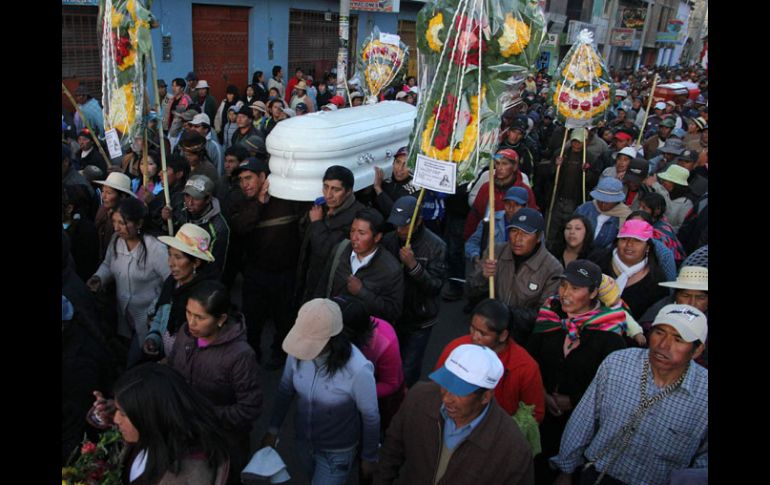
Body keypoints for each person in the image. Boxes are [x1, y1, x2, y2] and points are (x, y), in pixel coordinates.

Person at [550, 304, 708, 485]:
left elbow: (704, 460)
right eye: (659, 333)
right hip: (597, 474)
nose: (663, 345)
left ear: (697, 350)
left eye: (678, 339)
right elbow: (583, 420)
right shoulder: (618, 363)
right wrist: (566, 470)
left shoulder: (704, 393)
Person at [374, 343, 535, 485]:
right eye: (445, 384)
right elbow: (391, 452)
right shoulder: (418, 398)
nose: (446, 398)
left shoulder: (513, 450)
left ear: (485, 396)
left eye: (459, 391)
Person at [527, 260, 627, 484]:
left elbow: (612, 387)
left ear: (593, 293)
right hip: (540, 416)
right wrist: (542, 393)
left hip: (583, 429)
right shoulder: (549, 315)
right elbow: (531, 359)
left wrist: (574, 401)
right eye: (563, 285)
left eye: (575, 288)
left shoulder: (610, 333)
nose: (565, 293)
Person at [263, 298, 380, 484]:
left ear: (332, 339)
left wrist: (369, 456)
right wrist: (272, 430)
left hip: (337, 454)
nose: (305, 346)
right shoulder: (297, 352)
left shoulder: (358, 369)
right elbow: (285, 390)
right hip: (303, 442)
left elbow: (371, 416)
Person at [166, 281, 262, 484]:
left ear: (221, 319)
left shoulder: (240, 356)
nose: (191, 322)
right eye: (188, 313)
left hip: (222, 443)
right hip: (184, 434)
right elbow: (173, 368)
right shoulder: (186, 334)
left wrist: (206, 413)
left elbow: (249, 409)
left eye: (200, 317)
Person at [92, 363, 230, 484]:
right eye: (116, 409)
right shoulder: (151, 436)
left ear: (151, 417)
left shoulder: (189, 473)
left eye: (122, 414)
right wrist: (103, 414)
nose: (116, 419)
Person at [228, 157, 307, 368]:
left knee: (284, 319)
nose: (244, 184)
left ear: (263, 177)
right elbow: (240, 227)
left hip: (285, 274)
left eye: (249, 178)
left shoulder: (286, 199)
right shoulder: (239, 202)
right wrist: (259, 203)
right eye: (241, 180)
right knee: (252, 320)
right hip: (255, 273)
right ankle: (251, 355)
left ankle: (279, 355)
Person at [88, 197, 170, 366]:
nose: (116, 228)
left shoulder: (155, 248)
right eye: (114, 222)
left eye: (122, 223)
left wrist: (156, 308)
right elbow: (108, 265)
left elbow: (171, 281)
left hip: (147, 321)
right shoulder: (116, 241)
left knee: (136, 362)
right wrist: (99, 278)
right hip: (124, 317)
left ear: (139, 223)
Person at [435, 299, 545, 422]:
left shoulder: (525, 367)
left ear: (503, 335)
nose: (474, 337)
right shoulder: (456, 348)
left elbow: (534, 414)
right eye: (473, 328)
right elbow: (437, 387)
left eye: (483, 333)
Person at [468, 208, 563, 345]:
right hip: (488, 333)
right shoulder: (495, 252)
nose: (518, 239)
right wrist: (482, 277)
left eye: (525, 233)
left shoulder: (552, 268)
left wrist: (505, 314)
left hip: (524, 339)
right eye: (514, 231)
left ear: (538, 237)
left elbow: (545, 315)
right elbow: (469, 293)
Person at [381, 196, 447, 387]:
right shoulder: (388, 241)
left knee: (408, 370)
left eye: (405, 225)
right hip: (393, 315)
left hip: (419, 319)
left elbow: (435, 286)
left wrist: (414, 266)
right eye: (397, 224)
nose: (400, 230)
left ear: (418, 221)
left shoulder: (436, 246)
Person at [315, 208, 404, 324]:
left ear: (377, 237)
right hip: (331, 323)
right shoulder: (340, 250)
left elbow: (393, 312)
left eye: (361, 233)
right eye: (352, 231)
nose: (354, 238)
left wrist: (362, 292)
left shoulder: (391, 270)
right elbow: (323, 285)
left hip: (362, 330)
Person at [142, 223, 218, 359]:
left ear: (196, 262)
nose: (171, 263)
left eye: (178, 257)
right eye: (170, 255)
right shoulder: (171, 283)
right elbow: (160, 315)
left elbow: (204, 342)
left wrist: (175, 361)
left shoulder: (205, 297)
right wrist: (153, 338)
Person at [334, 295, 405, 434]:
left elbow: (391, 384)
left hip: (377, 397)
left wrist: (354, 394)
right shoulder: (345, 333)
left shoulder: (385, 342)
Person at [296, 165, 366, 303]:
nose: (328, 195)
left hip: (328, 287)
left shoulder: (358, 218)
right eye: (326, 187)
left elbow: (325, 251)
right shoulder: (321, 207)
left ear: (348, 191)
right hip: (309, 279)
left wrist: (317, 223)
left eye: (336, 189)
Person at [591, 219, 670, 320]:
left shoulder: (657, 280)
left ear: (647, 247)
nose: (629, 244)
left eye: (637, 240)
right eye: (624, 239)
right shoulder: (596, 261)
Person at [464, 148, 538, 241]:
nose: (500, 168)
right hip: (487, 241)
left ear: (515, 166)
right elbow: (474, 216)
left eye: (504, 164)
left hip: (515, 242)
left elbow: (532, 219)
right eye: (497, 163)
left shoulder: (524, 190)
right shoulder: (486, 188)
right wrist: (469, 240)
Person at [545, 128, 602, 247]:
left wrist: (587, 172)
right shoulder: (561, 153)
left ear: (585, 142)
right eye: (574, 141)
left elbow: (593, 182)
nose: (576, 144)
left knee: (570, 228)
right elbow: (549, 176)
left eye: (579, 142)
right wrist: (556, 166)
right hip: (558, 198)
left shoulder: (590, 158)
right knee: (552, 227)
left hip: (575, 201)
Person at [465, 186, 528, 262]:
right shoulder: (491, 220)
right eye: (508, 204)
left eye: (516, 205)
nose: (511, 208)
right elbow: (472, 243)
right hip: (493, 265)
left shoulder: (531, 224)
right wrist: (476, 257)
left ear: (524, 207)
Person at [574, 178, 632, 252]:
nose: (603, 204)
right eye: (600, 200)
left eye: (607, 202)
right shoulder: (584, 209)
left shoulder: (625, 216)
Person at [93, 172, 136, 259]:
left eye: (109, 193)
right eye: (103, 191)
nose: (103, 196)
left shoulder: (129, 218)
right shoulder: (102, 210)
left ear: (122, 196)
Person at [638, 192, 687, 266]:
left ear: (657, 211)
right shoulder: (660, 221)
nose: (639, 210)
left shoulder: (657, 234)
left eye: (644, 208)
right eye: (640, 206)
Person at [645, 164, 694, 232]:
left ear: (676, 184)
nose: (663, 183)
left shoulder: (686, 204)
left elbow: (680, 228)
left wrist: (660, 229)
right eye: (663, 180)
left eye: (666, 180)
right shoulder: (662, 191)